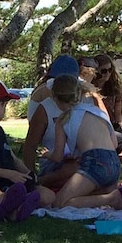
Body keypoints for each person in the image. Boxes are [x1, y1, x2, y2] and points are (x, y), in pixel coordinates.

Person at [0, 79, 55, 220]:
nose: (5, 109)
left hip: (11, 179)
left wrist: (27, 172)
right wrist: (9, 174)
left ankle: (19, 204)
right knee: (24, 193)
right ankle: (16, 205)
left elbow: (12, 158)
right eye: (5, 105)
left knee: (48, 196)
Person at [44, 74, 122, 210]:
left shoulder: (63, 119)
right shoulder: (97, 112)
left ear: (55, 98)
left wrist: (47, 154)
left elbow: (57, 157)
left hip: (95, 163)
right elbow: (114, 144)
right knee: (87, 193)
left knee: (60, 204)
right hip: (114, 163)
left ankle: (112, 198)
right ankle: (109, 195)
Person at [23, 55, 81, 191]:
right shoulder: (44, 108)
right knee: (74, 169)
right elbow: (30, 145)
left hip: (81, 160)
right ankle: (43, 182)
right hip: (55, 164)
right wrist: (31, 174)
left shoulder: (87, 102)